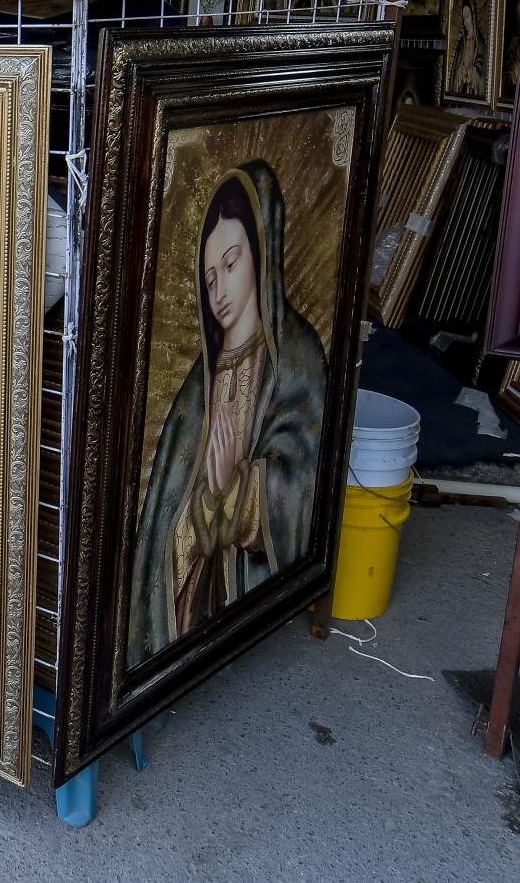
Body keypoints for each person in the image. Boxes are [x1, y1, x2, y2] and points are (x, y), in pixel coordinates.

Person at [127, 163, 324, 666]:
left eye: (232, 264)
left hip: (248, 581)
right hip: (194, 598)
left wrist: (241, 488)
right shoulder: (199, 387)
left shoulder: (297, 359)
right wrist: (207, 500)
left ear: (262, 254)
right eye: (209, 276)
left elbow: (304, 479)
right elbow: (163, 522)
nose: (219, 291)